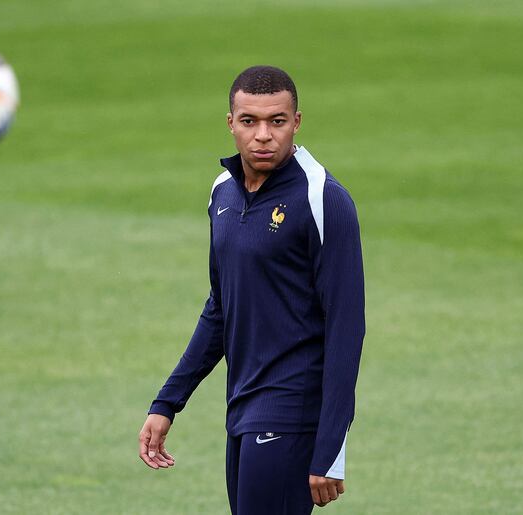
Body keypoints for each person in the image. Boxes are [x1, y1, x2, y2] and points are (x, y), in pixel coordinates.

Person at [138, 65, 365, 514]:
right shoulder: (223, 192)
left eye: (277, 121)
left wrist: (331, 447)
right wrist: (168, 402)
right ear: (230, 123)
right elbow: (220, 309)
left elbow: (347, 327)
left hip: (291, 411)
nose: (263, 135)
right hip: (241, 407)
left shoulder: (323, 199)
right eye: (249, 122)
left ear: (296, 122)